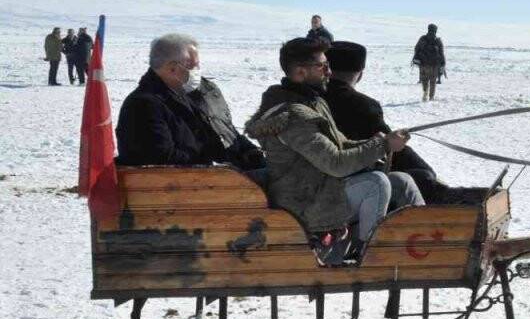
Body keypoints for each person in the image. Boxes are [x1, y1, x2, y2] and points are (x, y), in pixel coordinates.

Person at [245, 37, 423, 266]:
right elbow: (336, 164)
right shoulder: (293, 117)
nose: (329, 72)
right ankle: (371, 258)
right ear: (300, 72)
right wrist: (383, 146)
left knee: (401, 180)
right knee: (376, 183)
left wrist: (383, 140)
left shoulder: (312, 102)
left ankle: (427, 242)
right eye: (322, 66)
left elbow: (341, 145)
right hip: (305, 203)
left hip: (320, 188)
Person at [323, 40, 446, 202]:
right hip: (350, 184)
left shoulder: (310, 99)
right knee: (423, 177)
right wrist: (425, 171)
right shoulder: (363, 105)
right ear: (360, 74)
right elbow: (391, 147)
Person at [116, 34, 226, 166]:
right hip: (169, 183)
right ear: (172, 68)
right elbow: (160, 156)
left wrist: (247, 156)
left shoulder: (185, 96)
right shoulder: (143, 105)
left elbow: (210, 138)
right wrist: (204, 160)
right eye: (194, 67)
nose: (197, 71)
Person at [188, 74, 267, 173]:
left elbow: (228, 128)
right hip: (211, 173)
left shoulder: (209, 87)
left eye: (196, 58)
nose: (194, 61)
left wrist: (249, 149)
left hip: (237, 163)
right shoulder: (171, 96)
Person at [412, 24, 445, 101]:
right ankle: (431, 97)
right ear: (435, 31)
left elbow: (416, 48)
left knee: (424, 80)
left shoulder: (422, 38)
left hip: (424, 64)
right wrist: (443, 64)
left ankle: (425, 92)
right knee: (433, 81)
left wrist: (416, 58)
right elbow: (441, 53)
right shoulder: (438, 40)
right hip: (435, 65)